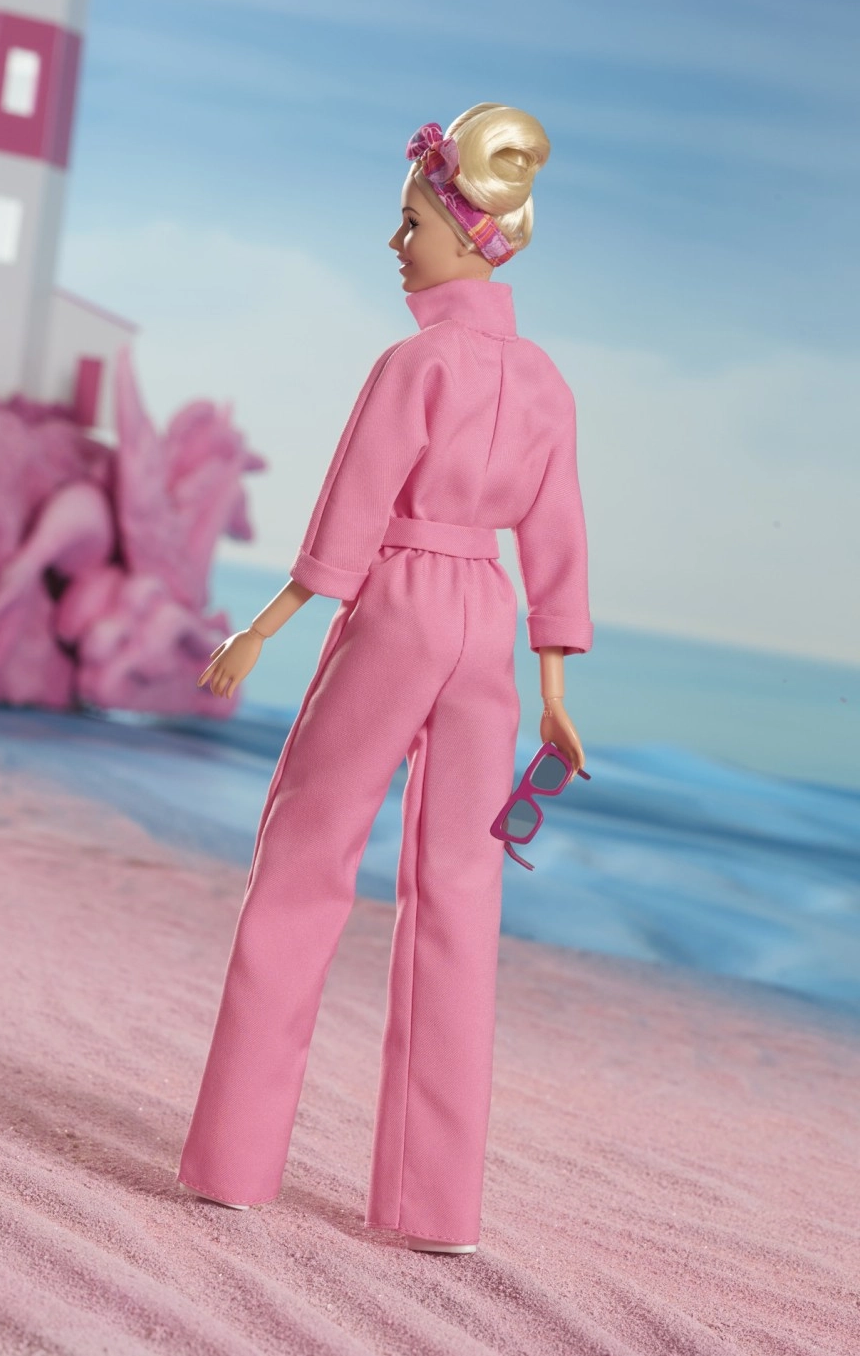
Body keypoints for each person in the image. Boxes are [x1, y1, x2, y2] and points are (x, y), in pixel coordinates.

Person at [177, 102, 593, 1255]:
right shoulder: (547, 382)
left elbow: (348, 517)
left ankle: (236, 1162)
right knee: (460, 894)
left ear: (467, 233)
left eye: (412, 222)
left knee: (303, 860)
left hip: (401, 600)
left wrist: (264, 626)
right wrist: (555, 690)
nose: (396, 243)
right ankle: (431, 1207)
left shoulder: (415, 363)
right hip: (487, 620)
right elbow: (557, 536)